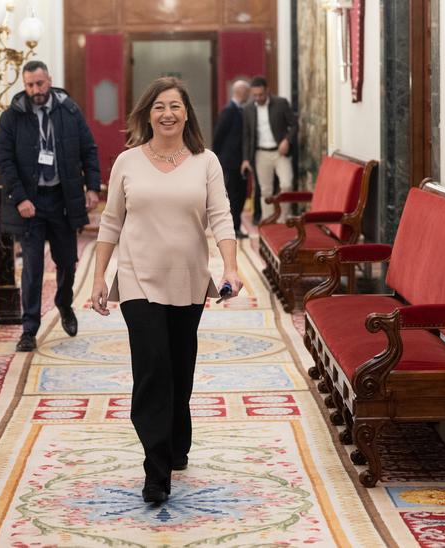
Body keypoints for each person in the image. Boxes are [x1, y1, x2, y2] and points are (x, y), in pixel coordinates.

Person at [90, 77, 243, 504]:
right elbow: (110, 222)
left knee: (179, 366)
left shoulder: (205, 161)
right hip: (138, 277)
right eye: (159, 106)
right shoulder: (127, 161)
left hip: (189, 278)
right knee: (153, 367)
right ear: (147, 113)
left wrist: (231, 265)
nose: (168, 113)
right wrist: (99, 276)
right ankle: (156, 471)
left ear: (187, 113)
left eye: (175, 106)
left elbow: (221, 217)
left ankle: (177, 439)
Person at [0, 60, 101, 352]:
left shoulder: (69, 110)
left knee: (67, 260)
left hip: (62, 199)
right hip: (30, 203)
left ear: (49, 80)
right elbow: (4, 163)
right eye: (29, 85)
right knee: (32, 266)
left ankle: (64, 304)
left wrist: (92, 187)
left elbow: (88, 149)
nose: (35, 90)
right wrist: (20, 198)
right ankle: (29, 329)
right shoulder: (11, 118)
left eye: (40, 84)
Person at [241, 75, 297, 223]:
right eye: (255, 95)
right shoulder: (247, 109)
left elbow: (295, 125)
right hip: (260, 154)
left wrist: (287, 140)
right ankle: (268, 220)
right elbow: (246, 136)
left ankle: (282, 219)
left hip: (280, 153)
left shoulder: (281, 103)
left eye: (261, 94)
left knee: (286, 184)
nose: (258, 98)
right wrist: (246, 159)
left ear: (267, 91)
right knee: (265, 190)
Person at [212, 80, 250, 239]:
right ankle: (233, 229)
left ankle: (236, 227)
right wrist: (218, 158)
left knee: (240, 195)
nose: (249, 95)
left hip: (239, 161)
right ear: (241, 92)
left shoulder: (241, 110)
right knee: (234, 196)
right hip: (231, 162)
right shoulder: (229, 111)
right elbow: (218, 136)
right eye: (247, 92)